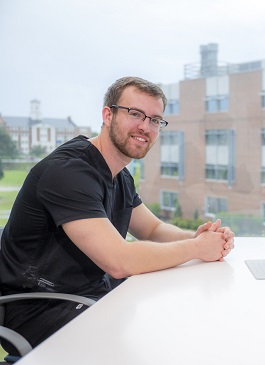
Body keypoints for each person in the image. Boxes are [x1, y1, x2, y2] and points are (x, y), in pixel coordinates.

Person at [0, 76, 235, 355]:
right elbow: (119, 261)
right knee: (159, 343)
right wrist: (196, 248)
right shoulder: (68, 172)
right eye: (135, 114)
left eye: (155, 120)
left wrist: (198, 236)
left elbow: (153, 229)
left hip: (89, 294)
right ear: (107, 115)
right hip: (40, 308)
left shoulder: (120, 175)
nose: (145, 126)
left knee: (177, 319)